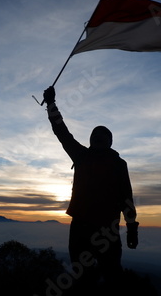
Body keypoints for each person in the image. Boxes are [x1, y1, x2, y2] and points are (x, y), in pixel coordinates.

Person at [43, 86, 139, 293]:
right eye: (96, 136)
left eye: (100, 136)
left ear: (108, 142)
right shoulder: (92, 158)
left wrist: (132, 228)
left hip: (95, 229)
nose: (98, 139)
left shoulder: (97, 159)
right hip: (96, 230)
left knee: (102, 277)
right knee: (98, 278)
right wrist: (51, 104)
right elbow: (61, 131)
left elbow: (127, 199)